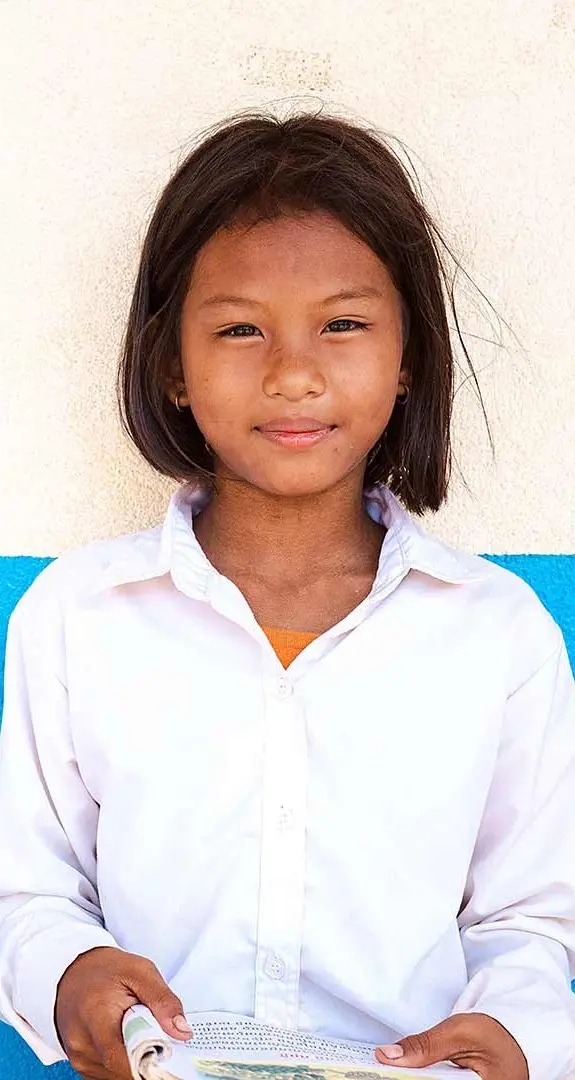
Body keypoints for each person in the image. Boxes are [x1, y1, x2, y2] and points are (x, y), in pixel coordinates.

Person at [0, 111, 574, 1080]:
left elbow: (526, 917)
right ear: (172, 367)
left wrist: (517, 1033)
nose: (294, 374)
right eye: (239, 329)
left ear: (406, 358)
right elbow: (29, 888)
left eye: (342, 324)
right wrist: (68, 973)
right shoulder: (77, 616)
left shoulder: (495, 632)